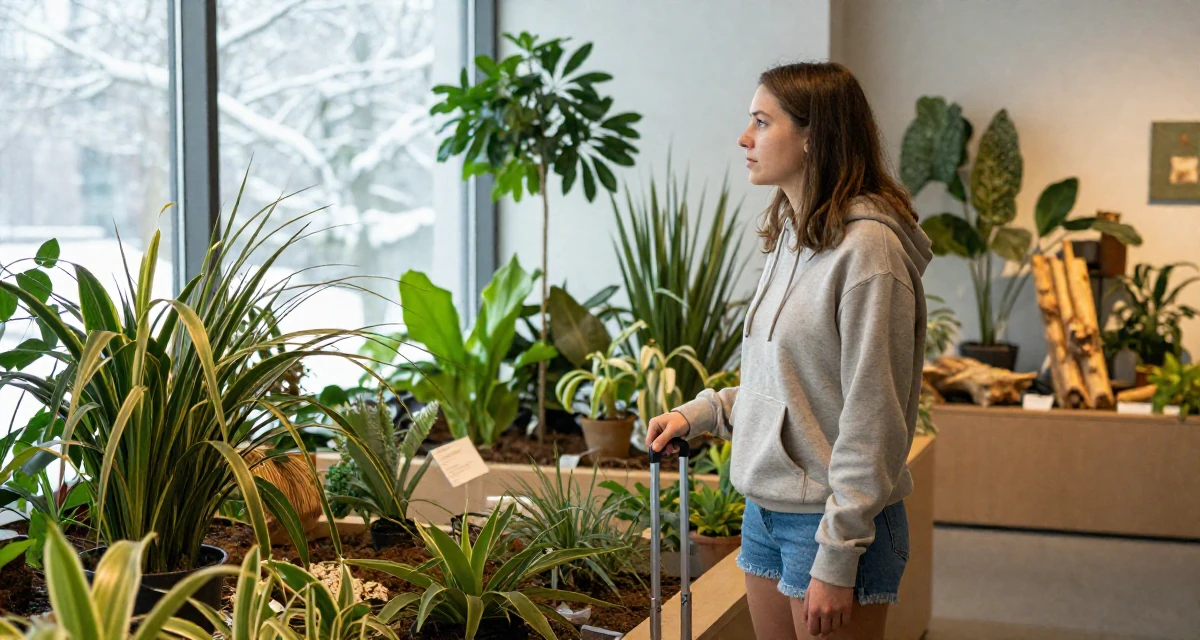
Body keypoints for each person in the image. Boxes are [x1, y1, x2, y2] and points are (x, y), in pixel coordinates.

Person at [646, 61, 931, 640]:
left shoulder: (869, 253)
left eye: (761, 121)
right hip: (766, 513)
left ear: (814, 137)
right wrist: (703, 412)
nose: (743, 138)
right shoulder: (793, 238)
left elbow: (872, 420)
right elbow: (786, 380)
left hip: (833, 524)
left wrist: (837, 555)